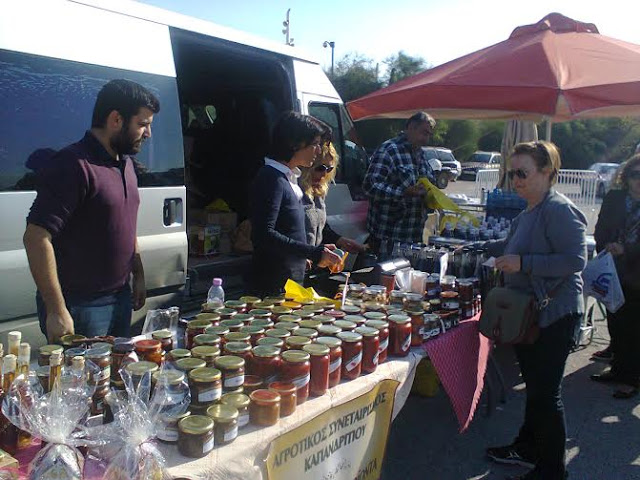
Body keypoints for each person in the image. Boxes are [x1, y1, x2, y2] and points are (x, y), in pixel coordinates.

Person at [23, 79, 159, 342]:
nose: (148, 134)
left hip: (119, 298)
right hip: (80, 306)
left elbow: (124, 225)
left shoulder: (126, 164)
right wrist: (56, 309)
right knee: (82, 383)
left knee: (113, 380)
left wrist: (138, 274)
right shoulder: (73, 165)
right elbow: (36, 238)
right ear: (116, 119)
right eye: (143, 124)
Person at [484, 141, 587, 480]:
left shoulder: (558, 209)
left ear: (547, 172)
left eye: (522, 172)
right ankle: (528, 448)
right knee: (537, 389)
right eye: (511, 173)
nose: (515, 179)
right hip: (530, 314)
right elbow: (513, 245)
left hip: (554, 315)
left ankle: (552, 470)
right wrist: (476, 246)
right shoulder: (530, 207)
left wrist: (524, 263)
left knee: (546, 395)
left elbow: (575, 260)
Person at [249, 112, 341, 297]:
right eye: (314, 144)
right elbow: (263, 235)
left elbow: (288, 231)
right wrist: (313, 252)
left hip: (287, 283)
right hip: (273, 287)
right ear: (295, 143)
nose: (318, 151)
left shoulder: (287, 177)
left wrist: (314, 251)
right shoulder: (271, 178)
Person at [590, 154, 640, 399]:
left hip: (637, 275)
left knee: (634, 328)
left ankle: (632, 379)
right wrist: (607, 245)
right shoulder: (614, 198)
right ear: (627, 177)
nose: (639, 180)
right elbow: (600, 228)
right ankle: (618, 370)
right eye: (635, 175)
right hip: (612, 271)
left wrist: (627, 249)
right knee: (616, 323)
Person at [362, 112, 437, 260]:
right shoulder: (389, 150)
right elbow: (370, 186)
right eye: (424, 133)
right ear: (411, 127)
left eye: (429, 135)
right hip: (387, 239)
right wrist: (404, 192)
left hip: (413, 237)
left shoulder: (421, 154)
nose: (426, 139)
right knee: (386, 281)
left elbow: (429, 182)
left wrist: (432, 195)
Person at [299, 141, 366, 254]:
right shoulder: (294, 190)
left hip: (310, 262)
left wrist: (339, 240)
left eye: (329, 169)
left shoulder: (318, 191)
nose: (324, 174)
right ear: (307, 166)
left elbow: (320, 227)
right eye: (320, 168)